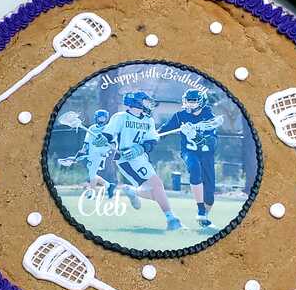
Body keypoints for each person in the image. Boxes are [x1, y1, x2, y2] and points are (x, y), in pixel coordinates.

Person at [93, 91, 183, 231]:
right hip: (126, 159)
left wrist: (139, 149)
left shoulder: (148, 120)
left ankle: (134, 192)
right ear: (136, 102)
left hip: (141, 158)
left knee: (156, 191)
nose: (148, 104)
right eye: (146, 101)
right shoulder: (120, 117)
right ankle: (172, 219)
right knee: (157, 185)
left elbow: (152, 141)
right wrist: (102, 139)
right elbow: (108, 136)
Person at [159, 88, 220, 229]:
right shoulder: (180, 116)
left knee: (210, 197)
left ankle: (204, 217)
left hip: (206, 155)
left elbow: (212, 143)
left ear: (201, 102)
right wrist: (154, 137)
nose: (189, 104)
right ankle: (200, 210)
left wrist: (195, 135)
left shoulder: (209, 117)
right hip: (189, 151)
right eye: (188, 101)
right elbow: (165, 130)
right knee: (194, 168)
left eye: (193, 102)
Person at [75, 109, 116, 200]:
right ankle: (109, 185)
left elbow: (113, 144)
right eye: (100, 117)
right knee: (92, 174)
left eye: (103, 117)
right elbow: (86, 142)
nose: (102, 119)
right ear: (96, 118)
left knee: (92, 173)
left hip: (101, 155)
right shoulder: (92, 128)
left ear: (106, 118)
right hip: (91, 154)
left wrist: (106, 151)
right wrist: (82, 151)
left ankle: (91, 193)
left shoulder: (108, 129)